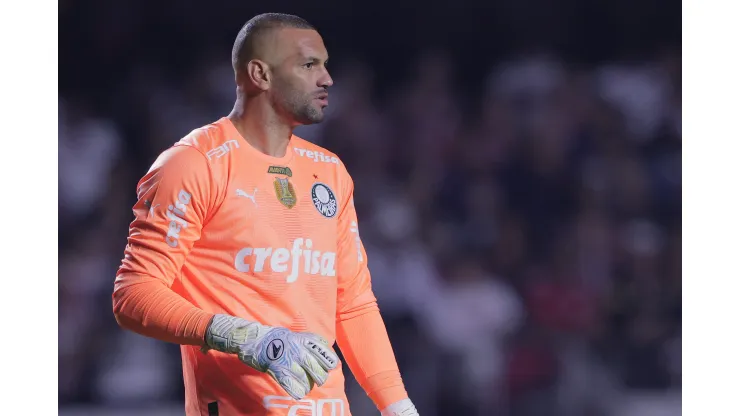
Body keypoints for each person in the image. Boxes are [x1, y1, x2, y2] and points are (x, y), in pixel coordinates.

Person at [112, 13, 419, 416]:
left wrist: (397, 405)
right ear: (260, 73)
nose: (327, 79)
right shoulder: (194, 164)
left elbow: (353, 302)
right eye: (310, 65)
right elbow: (133, 295)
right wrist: (244, 337)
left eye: (325, 65)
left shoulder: (328, 171)